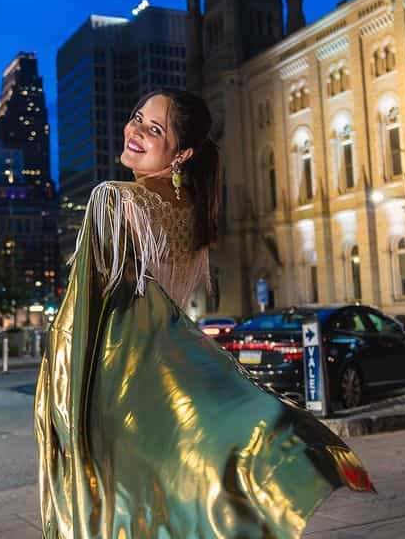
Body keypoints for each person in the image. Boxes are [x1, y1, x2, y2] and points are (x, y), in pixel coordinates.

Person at [35, 88, 372, 539]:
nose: (135, 130)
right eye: (137, 117)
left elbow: (91, 316)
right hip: (168, 392)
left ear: (182, 154)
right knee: (169, 511)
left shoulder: (114, 200)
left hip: (118, 392)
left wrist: (62, 400)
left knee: (118, 514)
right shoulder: (192, 212)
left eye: (155, 129)